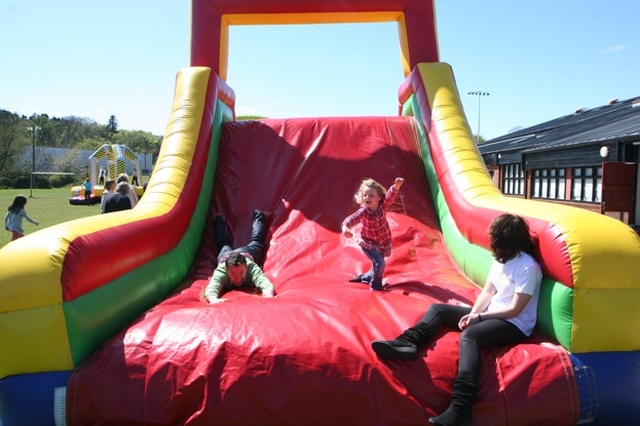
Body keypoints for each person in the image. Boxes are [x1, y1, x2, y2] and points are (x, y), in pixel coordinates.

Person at [371, 213, 542, 426]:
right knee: (439, 309)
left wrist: (478, 318)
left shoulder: (528, 267)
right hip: (492, 311)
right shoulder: (501, 260)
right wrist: (473, 314)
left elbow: (516, 309)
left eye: (493, 238)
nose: (490, 242)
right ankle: (409, 343)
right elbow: (488, 292)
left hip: (515, 323)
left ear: (505, 240)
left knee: (470, 336)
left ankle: (461, 408)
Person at [341, 177, 404, 290]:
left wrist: (396, 187)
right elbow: (353, 218)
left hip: (382, 243)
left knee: (377, 265)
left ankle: (365, 277)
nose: (367, 198)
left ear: (379, 197)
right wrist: (345, 227)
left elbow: (390, 197)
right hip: (368, 244)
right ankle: (375, 287)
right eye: (365, 195)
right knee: (380, 264)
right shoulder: (364, 211)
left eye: (371, 195)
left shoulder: (382, 207)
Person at [202, 209, 275, 303]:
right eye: (233, 274)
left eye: (241, 273)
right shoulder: (222, 270)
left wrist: (268, 293)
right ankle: (218, 220)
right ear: (227, 270)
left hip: (244, 253)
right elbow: (213, 285)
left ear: (246, 267)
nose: (238, 279)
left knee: (257, 241)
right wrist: (213, 299)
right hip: (226, 256)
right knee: (222, 243)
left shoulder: (250, 267)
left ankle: (259, 216)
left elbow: (262, 280)